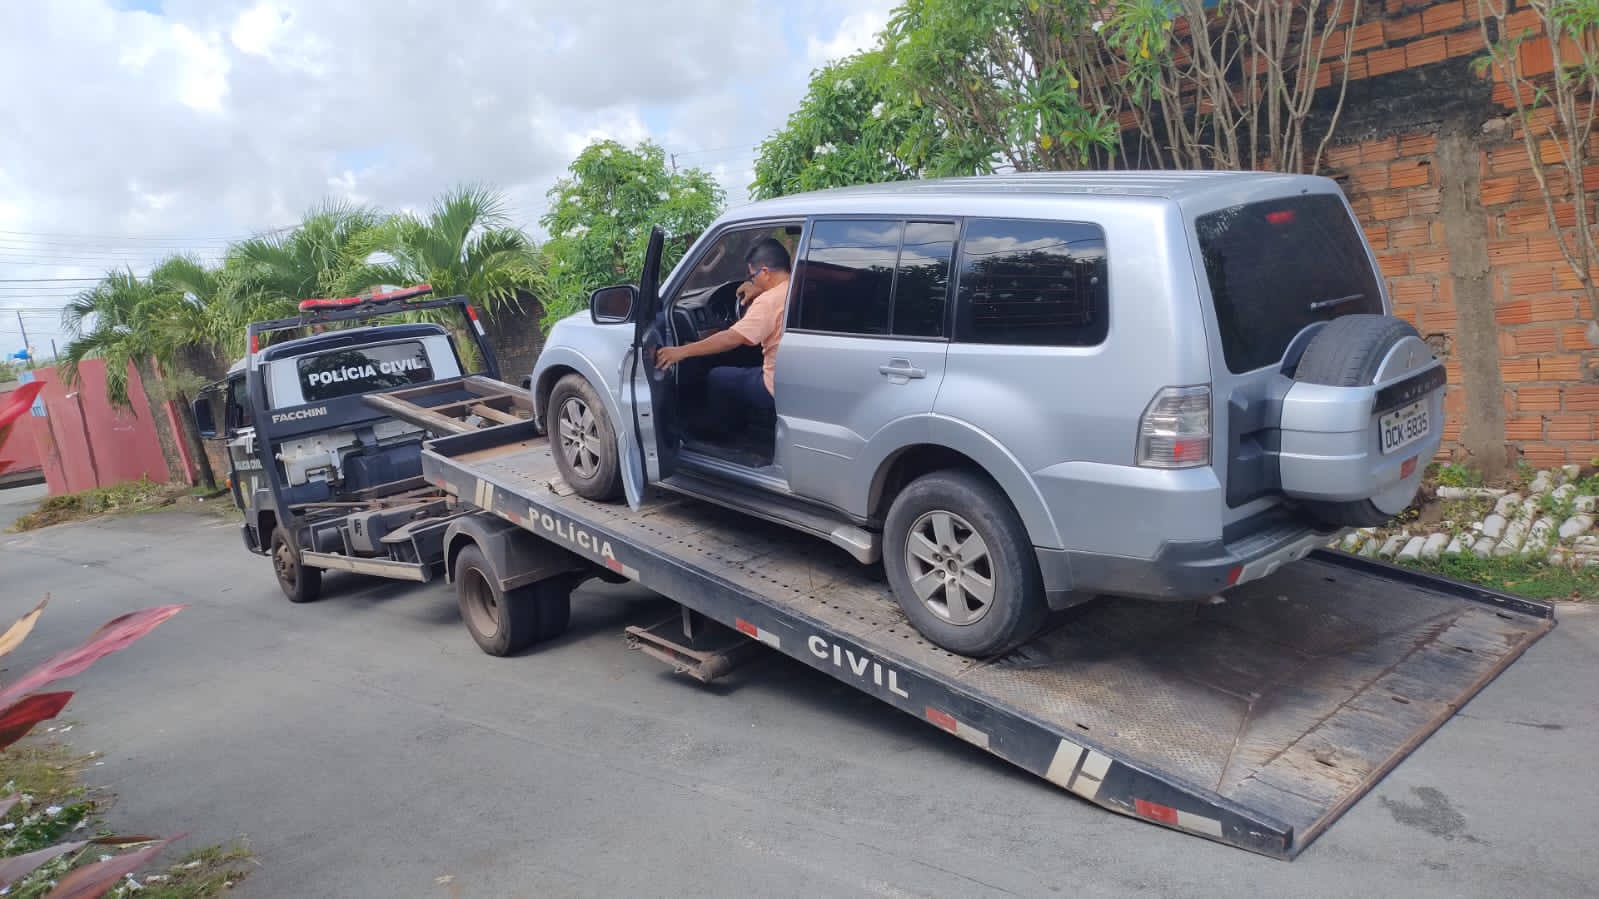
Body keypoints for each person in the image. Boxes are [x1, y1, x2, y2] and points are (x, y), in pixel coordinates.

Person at [655, 238, 791, 438]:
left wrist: (681, 351)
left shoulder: (768, 301)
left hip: (774, 386)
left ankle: (722, 433)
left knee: (718, 377)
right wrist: (762, 289)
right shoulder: (799, 286)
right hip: (793, 379)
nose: (752, 282)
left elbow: (731, 339)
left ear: (765, 272)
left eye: (752, 276)